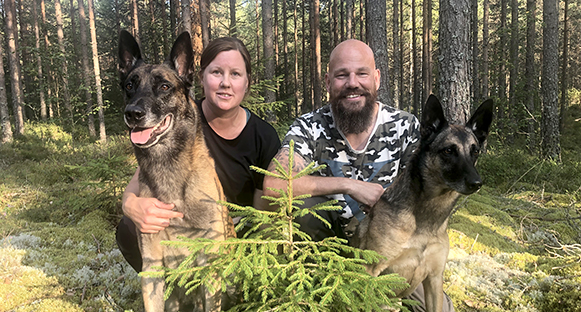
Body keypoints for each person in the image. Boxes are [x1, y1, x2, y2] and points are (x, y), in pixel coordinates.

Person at [263, 39, 454, 312]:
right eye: (342, 75)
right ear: (328, 81)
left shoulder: (404, 126)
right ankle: (314, 284)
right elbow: (274, 184)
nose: (352, 83)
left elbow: (431, 185)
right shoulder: (309, 128)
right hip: (328, 250)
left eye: (362, 73)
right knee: (302, 204)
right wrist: (349, 185)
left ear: (376, 79)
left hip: (392, 253)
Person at [116, 37, 281, 273]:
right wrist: (130, 205)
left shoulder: (263, 136)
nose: (225, 83)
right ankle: (170, 288)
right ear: (201, 78)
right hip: (179, 228)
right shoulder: (177, 122)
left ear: (247, 83)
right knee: (129, 228)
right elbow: (141, 179)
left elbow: (262, 214)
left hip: (236, 236)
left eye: (235, 74)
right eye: (216, 72)